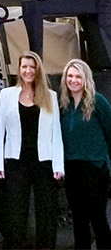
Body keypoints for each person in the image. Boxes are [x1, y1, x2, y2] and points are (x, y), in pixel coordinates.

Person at [0, 51, 64, 249]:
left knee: (46, 213)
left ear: (38, 69)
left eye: (32, 67)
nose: (28, 70)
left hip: (44, 161)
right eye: (24, 66)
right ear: (19, 69)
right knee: (16, 212)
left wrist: (59, 165)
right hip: (16, 162)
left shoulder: (50, 95)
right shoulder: (6, 95)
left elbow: (55, 133)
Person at [59, 59, 111, 249]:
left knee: (97, 218)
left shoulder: (98, 101)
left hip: (96, 168)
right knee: (79, 220)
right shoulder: (63, 104)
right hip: (72, 169)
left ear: (86, 78)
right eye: (70, 76)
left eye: (78, 76)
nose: (73, 80)